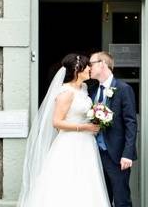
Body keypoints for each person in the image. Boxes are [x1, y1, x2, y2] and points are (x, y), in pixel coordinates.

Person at [17, 53, 111, 207]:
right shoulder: (66, 93)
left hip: (86, 143)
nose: (90, 68)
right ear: (76, 69)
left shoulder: (84, 88)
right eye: (87, 65)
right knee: (66, 180)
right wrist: (85, 127)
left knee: (86, 181)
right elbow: (57, 122)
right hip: (69, 142)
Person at [89, 51, 138, 207]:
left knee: (122, 200)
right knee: (101, 200)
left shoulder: (123, 89)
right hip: (95, 155)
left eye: (91, 64)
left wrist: (127, 154)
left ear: (102, 64)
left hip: (117, 157)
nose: (89, 67)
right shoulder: (92, 91)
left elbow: (131, 123)